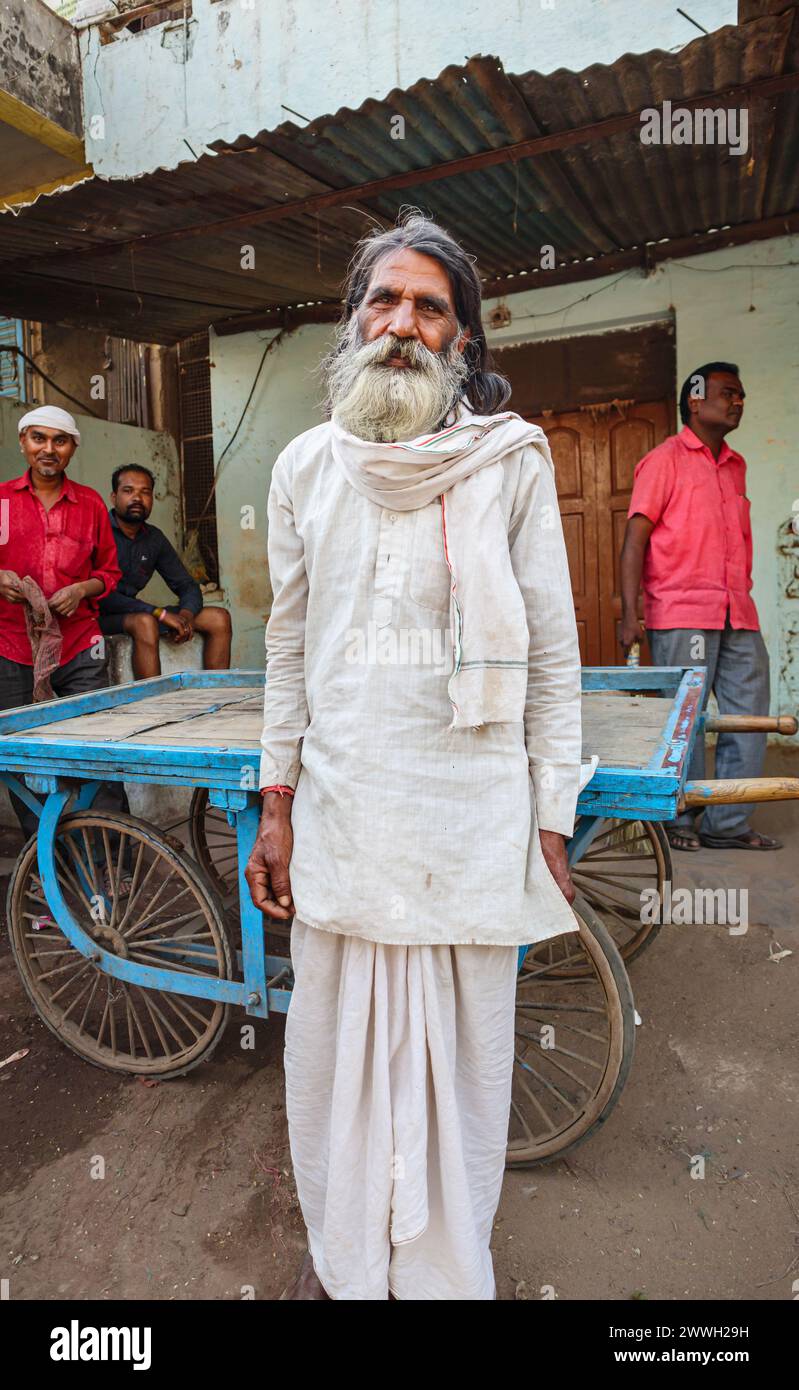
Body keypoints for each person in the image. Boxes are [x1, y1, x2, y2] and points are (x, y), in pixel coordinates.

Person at [244, 211, 583, 1301]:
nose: (401, 323)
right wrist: (276, 798)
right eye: (381, 301)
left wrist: (552, 819)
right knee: (335, 1067)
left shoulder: (509, 461)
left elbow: (552, 651)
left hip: (469, 815)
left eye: (429, 307)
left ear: (463, 342)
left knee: (463, 1075)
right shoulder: (305, 466)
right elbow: (287, 643)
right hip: (345, 812)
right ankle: (349, 1263)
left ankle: (441, 1273)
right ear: (351, 325)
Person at [619, 362, 779, 852]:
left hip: (738, 613)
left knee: (749, 717)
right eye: (728, 393)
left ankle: (727, 824)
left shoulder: (736, 465)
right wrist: (631, 613)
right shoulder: (663, 461)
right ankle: (680, 821)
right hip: (681, 612)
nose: (738, 402)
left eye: (742, 396)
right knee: (684, 722)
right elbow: (634, 540)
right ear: (695, 399)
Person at [0, 405, 129, 844]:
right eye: (38, 438)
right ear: (23, 444)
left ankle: (113, 856)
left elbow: (110, 574)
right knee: (20, 751)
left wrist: (81, 590)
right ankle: (45, 858)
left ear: (73, 447)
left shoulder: (91, 503)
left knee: (99, 743)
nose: (48, 449)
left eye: (59, 440)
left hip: (78, 641)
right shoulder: (1, 501)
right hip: (11, 641)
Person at [98, 465, 232, 679]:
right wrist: (159, 613)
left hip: (138, 612)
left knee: (218, 617)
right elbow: (102, 597)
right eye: (128, 490)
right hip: (97, 616)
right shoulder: (98, 530)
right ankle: (154, 705)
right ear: (114, 497)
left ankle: (217, 693)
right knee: (145, 622)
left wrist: (185, 616)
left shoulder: (154, 538)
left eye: (145, 492)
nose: (137, 498)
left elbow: (186, 585)